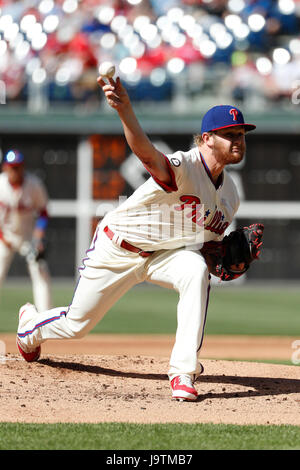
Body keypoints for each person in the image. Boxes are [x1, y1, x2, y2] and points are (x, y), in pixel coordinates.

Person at [16, 76, 256, 402]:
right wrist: (125, 110)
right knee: (77, 325)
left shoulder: (230, 195)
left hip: (163, 255)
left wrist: (219, 256)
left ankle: (183, 372)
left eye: (240, 134)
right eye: (229, 135)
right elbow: (145, 152)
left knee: (195, 271)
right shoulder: (184, 166)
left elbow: (204, 246)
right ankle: (30, 327)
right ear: (206, 139)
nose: (238, 139)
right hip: (118, 248)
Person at [0, 149, 52, 312]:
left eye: (18, 166)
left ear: (23, 167)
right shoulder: (0, 185)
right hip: (4, 236)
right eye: (12, 167)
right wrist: (2, 237)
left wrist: (38, 235)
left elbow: (43, 211)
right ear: (5, 168)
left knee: (41, 273)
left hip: (29, 238)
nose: (15, 170)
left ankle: (45, 319)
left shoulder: (34, 184)